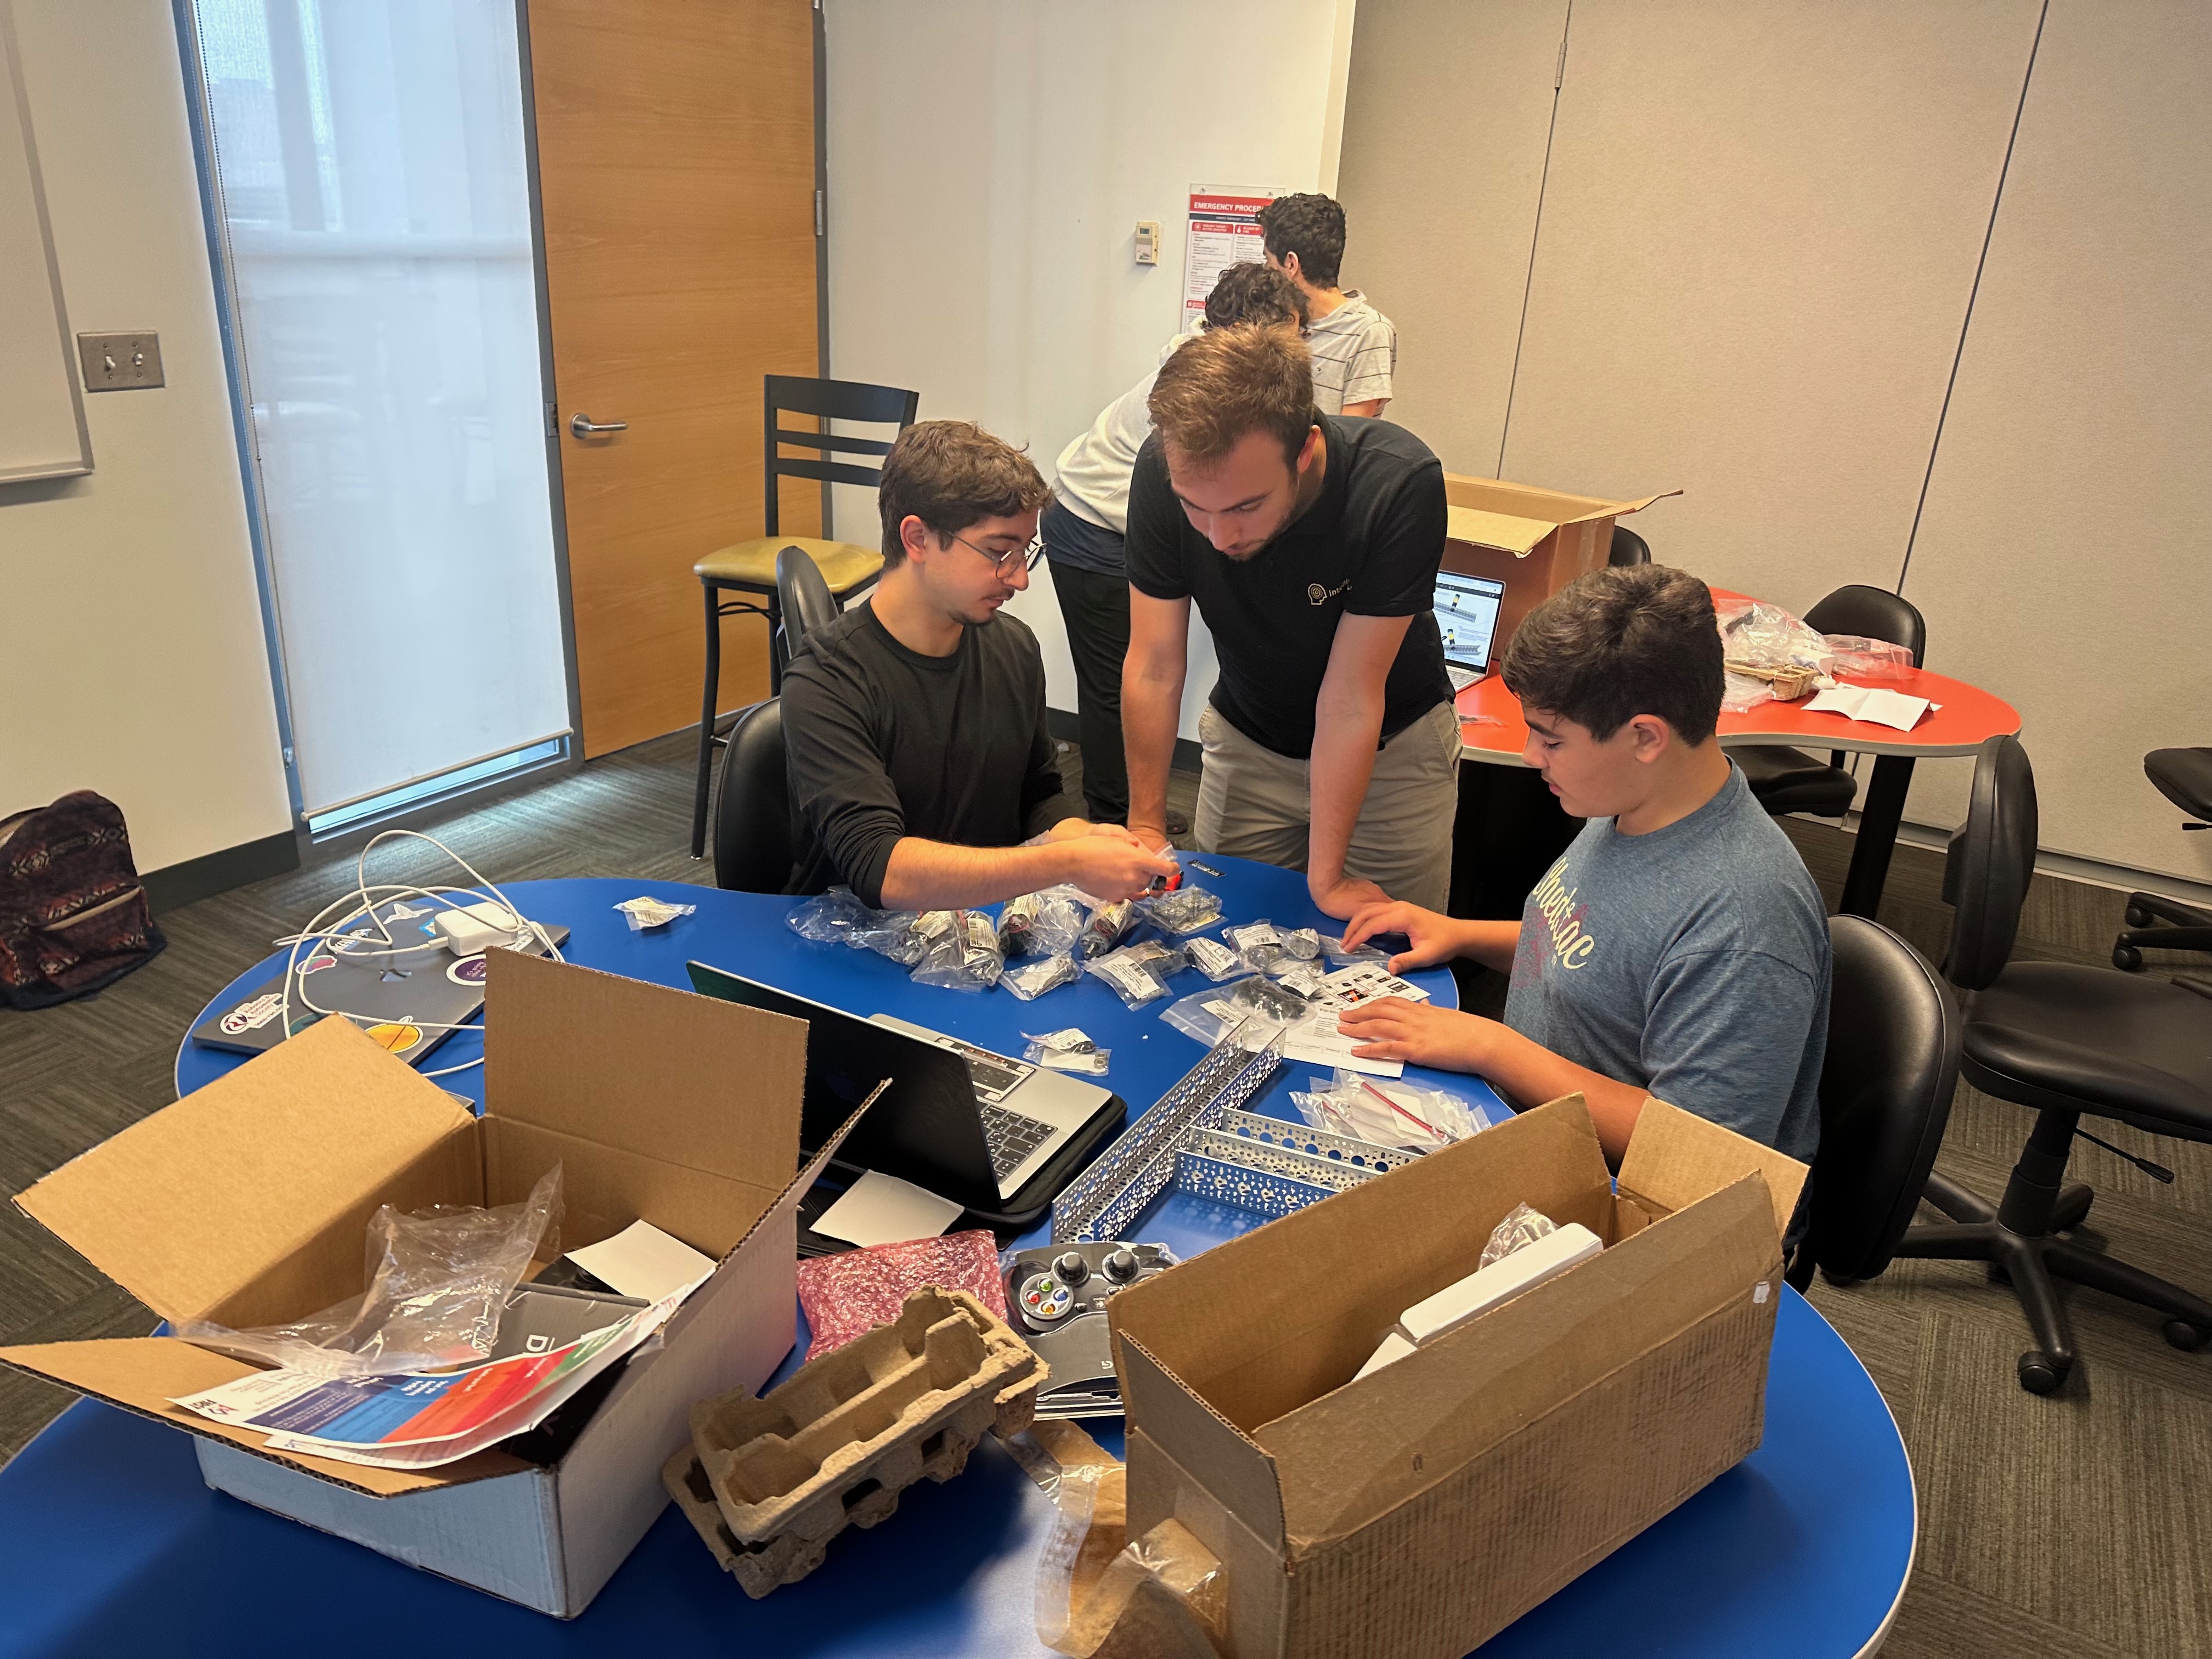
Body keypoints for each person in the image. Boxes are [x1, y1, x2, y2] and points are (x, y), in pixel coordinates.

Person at [1335, 565, 1830, 1163]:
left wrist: (1493, 1049)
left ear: (1645, 738)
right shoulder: (1633, 802)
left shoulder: (1744, 926)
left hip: (1618, 1193)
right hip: (1537, 1125)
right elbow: (1600, 954)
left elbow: (1701, 1152)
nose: (1530, 756)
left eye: (1551, 740)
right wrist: (1461, 934)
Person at [1121, 325, 1458, 917]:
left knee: (1384, 946)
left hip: (1390, 751)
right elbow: (1153, 665)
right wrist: (1146, 826)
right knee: (1222, 932)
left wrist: (1328, 880)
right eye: (1194, 507)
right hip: (1251, 738)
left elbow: (1351, 698)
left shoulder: (1395, 483)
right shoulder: (1160, 469)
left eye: (1246, 506)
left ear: (1304, 450)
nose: (1219, 536)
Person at [781, 420, 1179, 911]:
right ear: (918, 539)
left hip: (976, 929)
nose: (1020, 578)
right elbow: (880, 869)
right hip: (848, 941)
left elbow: (1038, 796)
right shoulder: (826, 680)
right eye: (998, 552)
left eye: (1025, 552)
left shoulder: (1014, 649)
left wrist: (1081, 837)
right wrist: (1068, 862)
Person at [1044, 263, 1309, 824]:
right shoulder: (1195, 396)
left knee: (1144, 671)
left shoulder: (1234, 388)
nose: (1299, 353)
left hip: (1114, 519)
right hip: (1090, 522)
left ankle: (1136, 810)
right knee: (1120, 680)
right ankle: (1116, 819)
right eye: (1289, 336)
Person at [1257, 192, 1397, 419]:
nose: (1266, 270)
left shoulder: (1369, 332)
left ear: (1291, 264)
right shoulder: (1277, 322)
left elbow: (1350, 433)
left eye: (1268, 260)